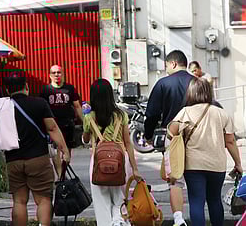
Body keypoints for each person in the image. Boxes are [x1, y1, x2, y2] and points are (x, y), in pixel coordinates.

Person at [0, 72, 70, 226]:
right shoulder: (39, 103)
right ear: (26, 86)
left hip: (13, 161)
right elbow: (52, 128)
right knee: (43, 199)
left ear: (7, 90)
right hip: (38, 160)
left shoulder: (1, 108)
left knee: (19, 202)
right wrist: (65, 150)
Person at [168, 77, 243, 226]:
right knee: (215, 200)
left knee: (197, 202)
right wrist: (238, 163)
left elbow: (170, 133)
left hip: (193, 165)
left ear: (191, 93)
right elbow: (230, 141)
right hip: (217, 165)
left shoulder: (185, 112)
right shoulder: (221, 113)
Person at [144, 50, 195, 226]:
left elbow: (151, 114)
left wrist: (148, 136)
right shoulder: (196, 82)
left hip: (173, 136)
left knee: (175, 181)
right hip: (196, 136)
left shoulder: (163, 83)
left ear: (172, 64)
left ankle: (179, 219)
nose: (166, 69)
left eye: (166, 65)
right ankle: (198, 218)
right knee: (195, 177)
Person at [82, 78, 140, 226]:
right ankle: (120, 222)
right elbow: (128, 143)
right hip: (121, 160)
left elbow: (86, 139)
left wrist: (86, 120)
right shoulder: (121, 115)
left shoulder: (89, 116)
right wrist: (134, 168)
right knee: (120, 198)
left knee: (101, 202)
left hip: (98, 161)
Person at [40, 65, 83, 161]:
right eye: (54, 73)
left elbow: (77, 106)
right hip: (53, 125)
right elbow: (41, 110)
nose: (56, 74)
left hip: (68, 124)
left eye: (58, 72)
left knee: (67, 151)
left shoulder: (70, 88)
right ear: (50, 75)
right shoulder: (45, 90)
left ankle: (64, 171)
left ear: (63, 74)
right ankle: (60, 174)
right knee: (57, 150)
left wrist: (84, 122)